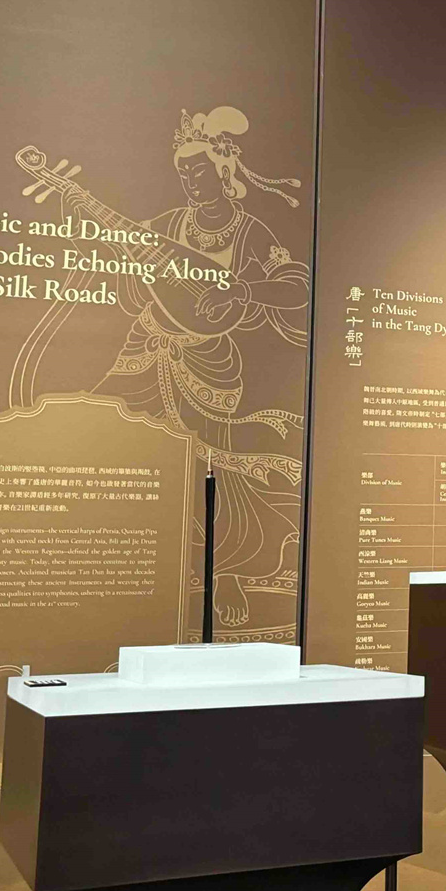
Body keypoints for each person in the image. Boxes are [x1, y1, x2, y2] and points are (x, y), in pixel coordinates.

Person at [90, 106, 309, 635]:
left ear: (224, 168)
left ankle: (226, 569)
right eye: (182, 171)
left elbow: (296, 287)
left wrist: (243, 290)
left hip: (208, 362)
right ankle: (131, 566)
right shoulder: (167, 227)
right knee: (121, 443)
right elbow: (134, 296)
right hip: (148, 348)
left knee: (212, 464)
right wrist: (128, 268)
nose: (190, 180)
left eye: (199, 170)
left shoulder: (250, 231)